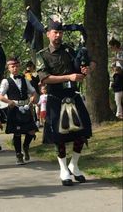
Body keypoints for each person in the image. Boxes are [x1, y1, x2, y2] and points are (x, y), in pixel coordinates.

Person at [36, 15, 95, 186]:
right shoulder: (42, 55)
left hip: (73, 95)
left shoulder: (70, 50)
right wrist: (69, 76)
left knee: (82, 133)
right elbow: (44, 78)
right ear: (48, 33)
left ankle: (74, 165)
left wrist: (87, 69)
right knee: (59, 136)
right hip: (56, 98)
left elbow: (90, 63)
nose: (58, 35)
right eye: (55, 32)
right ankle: (63, 170)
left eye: (60, 32)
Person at [0, 57, 38, 165]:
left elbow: (33, 91)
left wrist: (33, 96)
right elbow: (0, 96)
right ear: (9, 68)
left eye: (16, 66)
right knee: (17, 133)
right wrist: (9, 101)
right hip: (14, 108)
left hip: (26, 107)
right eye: (12, 66)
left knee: (32, 131)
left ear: (19, 66)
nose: (15, 68)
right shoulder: (6, 81)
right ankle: (19, 155)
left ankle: (26, 146)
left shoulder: (24, 79)